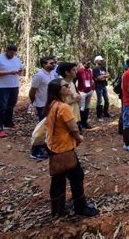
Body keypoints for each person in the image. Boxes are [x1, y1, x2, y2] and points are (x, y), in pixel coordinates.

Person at [45, 78, 99, 217]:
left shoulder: (52, 104)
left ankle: (57, 210)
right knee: (77, 177)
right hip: (64, 149)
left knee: (58, 179)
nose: (69, 87)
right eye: (65, 86)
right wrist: (78, 138)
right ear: (58, 90)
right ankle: (81, 208)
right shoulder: (63, 108)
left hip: (53, 146)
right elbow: (73, 128)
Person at [0, 44, 23, 138]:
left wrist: (19, 71)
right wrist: (8, 72)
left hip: (13, 85)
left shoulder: (17, 59)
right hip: (1, 87)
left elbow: (20, 70)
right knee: (1, 107)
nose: (12, 54)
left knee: (11, 105)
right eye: (10, 52)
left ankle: (8, 122)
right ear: (6, 50)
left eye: (14, 52)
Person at [57, 62, 81, 127]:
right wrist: (74, 100)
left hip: (74, 115)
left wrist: (77, 98)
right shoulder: (62, 85)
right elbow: (59, 104)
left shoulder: (71, 83)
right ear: (67, 73)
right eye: (73, 70)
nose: (76, 72)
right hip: (67, 118)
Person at [76, 58, 95, 129]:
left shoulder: (90, 71)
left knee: (87, 107)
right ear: (83, 64)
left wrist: (93, 88)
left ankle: (85, 122)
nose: (89, 65)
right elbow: (75, 79)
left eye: (90, 63)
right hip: (82, 92)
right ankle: (80, 123)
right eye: (87, 63)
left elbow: (92, 80)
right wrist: (77, 91)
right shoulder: (80, 71)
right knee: (82, 107)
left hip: (89, 91)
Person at [93, 56, 111, 122]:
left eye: (102, 60)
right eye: (100, 60)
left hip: (104, 85)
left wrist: (103, 76)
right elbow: (98, 78)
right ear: (97, 61)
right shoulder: (95, 69)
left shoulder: (103, 67)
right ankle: (99, 115)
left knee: (107, 100)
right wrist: (104, 76)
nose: (101, 61)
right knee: (99, 100)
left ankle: (106, 113)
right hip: (98, 86)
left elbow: (108, 75)